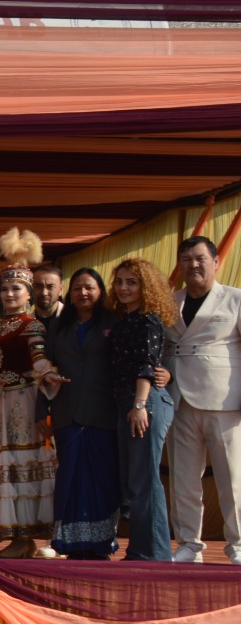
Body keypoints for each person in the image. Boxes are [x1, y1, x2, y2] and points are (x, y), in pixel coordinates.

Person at [0, 229, 59, 558]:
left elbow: (39, 357)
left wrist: (47, 374)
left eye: (17, 288)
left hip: (24, 401)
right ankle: (18, 539)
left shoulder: (32, 325)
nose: (10, 293)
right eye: (6, 288)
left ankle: (33, 539)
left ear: (28, 294)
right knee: (3, 465)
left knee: (25, 463)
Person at [165, 235, 241, 565]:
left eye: (199, 258)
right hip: (178, 398)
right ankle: (187, 544)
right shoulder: (169, 301)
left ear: (215, 262)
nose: (193, 265)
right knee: (182, 478)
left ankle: (238, 545)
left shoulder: (235, 299)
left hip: (225, 398)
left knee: (233, 478)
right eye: (186, 259)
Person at [45, 268, 120, 559]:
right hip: (67, 413)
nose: (83, 293)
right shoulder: (59, 327)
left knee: (101, 479)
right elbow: (44, 370)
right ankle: (70, 542)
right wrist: (43, 412)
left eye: (89, 287)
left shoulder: (113, 323)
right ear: (68, 293)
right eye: (77, 288)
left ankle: (100, 542)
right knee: (70, 479)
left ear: (100, 291)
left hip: (103, 414)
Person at [108, 256, 178, 561]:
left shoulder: (149, 319)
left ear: (145, 286)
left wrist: (140, 405)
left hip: (144, 401)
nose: (124, 288)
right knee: (134, 481)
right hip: (129, 401)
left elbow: (148, 364)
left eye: (131, 282)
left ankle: (154, 553)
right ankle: (141, 550)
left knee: (145, 479)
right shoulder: (125, 321)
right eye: (120, 281)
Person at [32, 262, 66, 333]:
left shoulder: (73, 320)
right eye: (39, 286)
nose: (44, 293)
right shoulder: (25, 324)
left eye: (50, 287)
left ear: (61, 289)